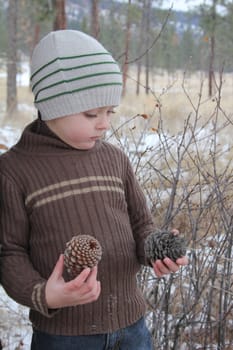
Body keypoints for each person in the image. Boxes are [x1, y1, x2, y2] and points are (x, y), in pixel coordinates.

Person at [0, 30, 188, 350]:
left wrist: (157, 250)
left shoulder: (114, 159)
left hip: (132, 328)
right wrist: (45, 294)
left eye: (109, 112)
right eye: (91, 114)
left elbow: (140, 225)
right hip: (63, 336)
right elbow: (9, 252)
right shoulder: (15, 170)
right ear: (52, 106)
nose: (104, 124)